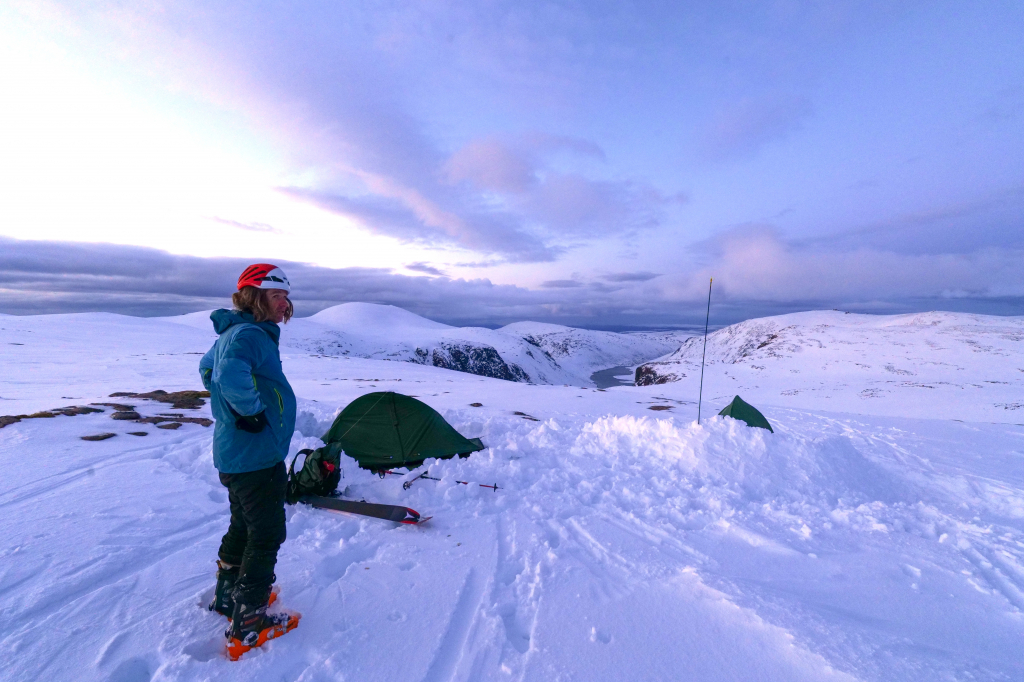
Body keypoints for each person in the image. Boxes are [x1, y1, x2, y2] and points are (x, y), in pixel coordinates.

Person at [199, 263, 300, 660]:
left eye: (286, 296)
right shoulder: (250, 335)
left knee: (243, 524)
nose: (284, 304)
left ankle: (229, 595)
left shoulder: (234, 331)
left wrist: (228, 409)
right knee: (267, 532)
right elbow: (227, 373)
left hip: (236, 453)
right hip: (256, 454)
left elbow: (208, 368)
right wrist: (250, 411)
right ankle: (249, 620)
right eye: (277, 296)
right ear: (255, 297)